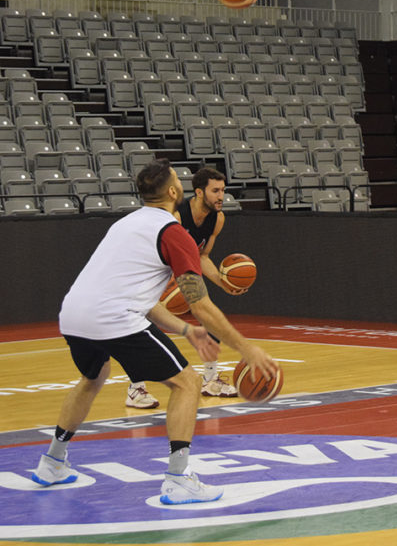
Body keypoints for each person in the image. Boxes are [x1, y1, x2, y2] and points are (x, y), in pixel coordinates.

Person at [31, 159, 278, 504]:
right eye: (178, 179)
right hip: (113, 317)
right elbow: (201, 305)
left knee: (92, 377)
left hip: (73, 314)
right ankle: (178, 479)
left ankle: (52, 462)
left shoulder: (125, 224)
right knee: (188, 382)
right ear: (175, 191)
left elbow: (138, 297)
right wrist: (247, 349)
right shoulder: (173, 233)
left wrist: (184, 330)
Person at [126, 167, 246, 407]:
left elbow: (202, 256)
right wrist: (173, 283)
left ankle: (210, 379)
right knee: (140, 329)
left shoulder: (217, 218)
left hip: (182, 271)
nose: (221, 196)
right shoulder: (176, 215)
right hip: (152, 273)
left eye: (223, 190)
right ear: (199, 193)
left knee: (210, 315)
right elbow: (160, 253)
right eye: (215, 191)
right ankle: (135, 388)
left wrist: (223, 282)